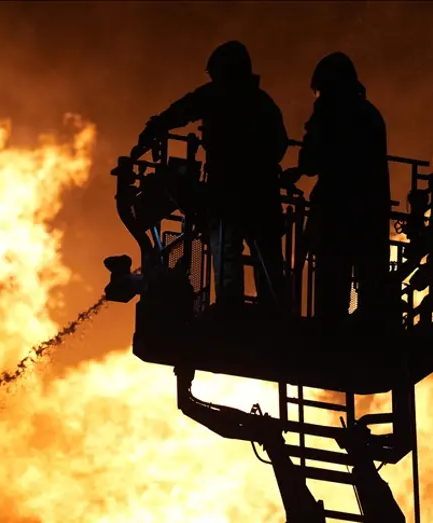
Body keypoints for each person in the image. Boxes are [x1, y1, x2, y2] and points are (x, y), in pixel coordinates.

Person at [137, 41, 289, 313]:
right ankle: (275, 311)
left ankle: (230, 309)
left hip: (228, 190)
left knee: (225, 249)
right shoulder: (263, 103)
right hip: (261, 192)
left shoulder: (218, 95)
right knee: (266, 254)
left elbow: (184, 109)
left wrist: (155, 126)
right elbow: (279, 144)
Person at [285, 52, 392, 325]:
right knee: (369, 282)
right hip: (371, 215)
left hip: (335, 214)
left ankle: (330, 333)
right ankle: (368, 329)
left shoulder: (330, 113)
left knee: (332, 284)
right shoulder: (371, 115)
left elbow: (311, 161)